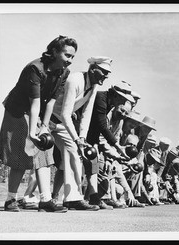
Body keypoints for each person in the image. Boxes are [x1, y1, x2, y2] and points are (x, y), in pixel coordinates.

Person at [0, 35, 77, 212]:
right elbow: (34, 101)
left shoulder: (64, 72)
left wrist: (44, 127)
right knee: (22, 153)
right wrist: (32, 133)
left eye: (73, 57)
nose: (70, 61)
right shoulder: (35, 68)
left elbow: (50, 102)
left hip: (37, 112)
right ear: (55, 51)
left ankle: (45, 200)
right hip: (17, 110)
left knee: (45, 151)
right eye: (67, 55)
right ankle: (11, 200)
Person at [49, 56, 113, 211]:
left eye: (107, 73)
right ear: (92, 69)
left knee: (73, 153)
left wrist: (82, 138)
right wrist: (77, 139)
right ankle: (27, 197)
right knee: (39, 159)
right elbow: (65, 113)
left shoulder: (94, 86)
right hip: (49, 118)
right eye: (103, 71)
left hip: (63, 123)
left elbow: (86, 114)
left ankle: (72, 199)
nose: (105, 75)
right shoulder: (75, 80)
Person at [83, 82, 133, 208]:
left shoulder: (114, 111)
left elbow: (109, 136)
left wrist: (115, 154)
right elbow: (103, 128)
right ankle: (83, 197)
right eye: (122, 101)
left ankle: (94, 197)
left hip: (94, 140)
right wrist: (118, 151)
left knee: (93, 167)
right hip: (84, 135)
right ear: (116, 95)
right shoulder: (101, 99)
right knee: (81, 166)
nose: (122, 111)